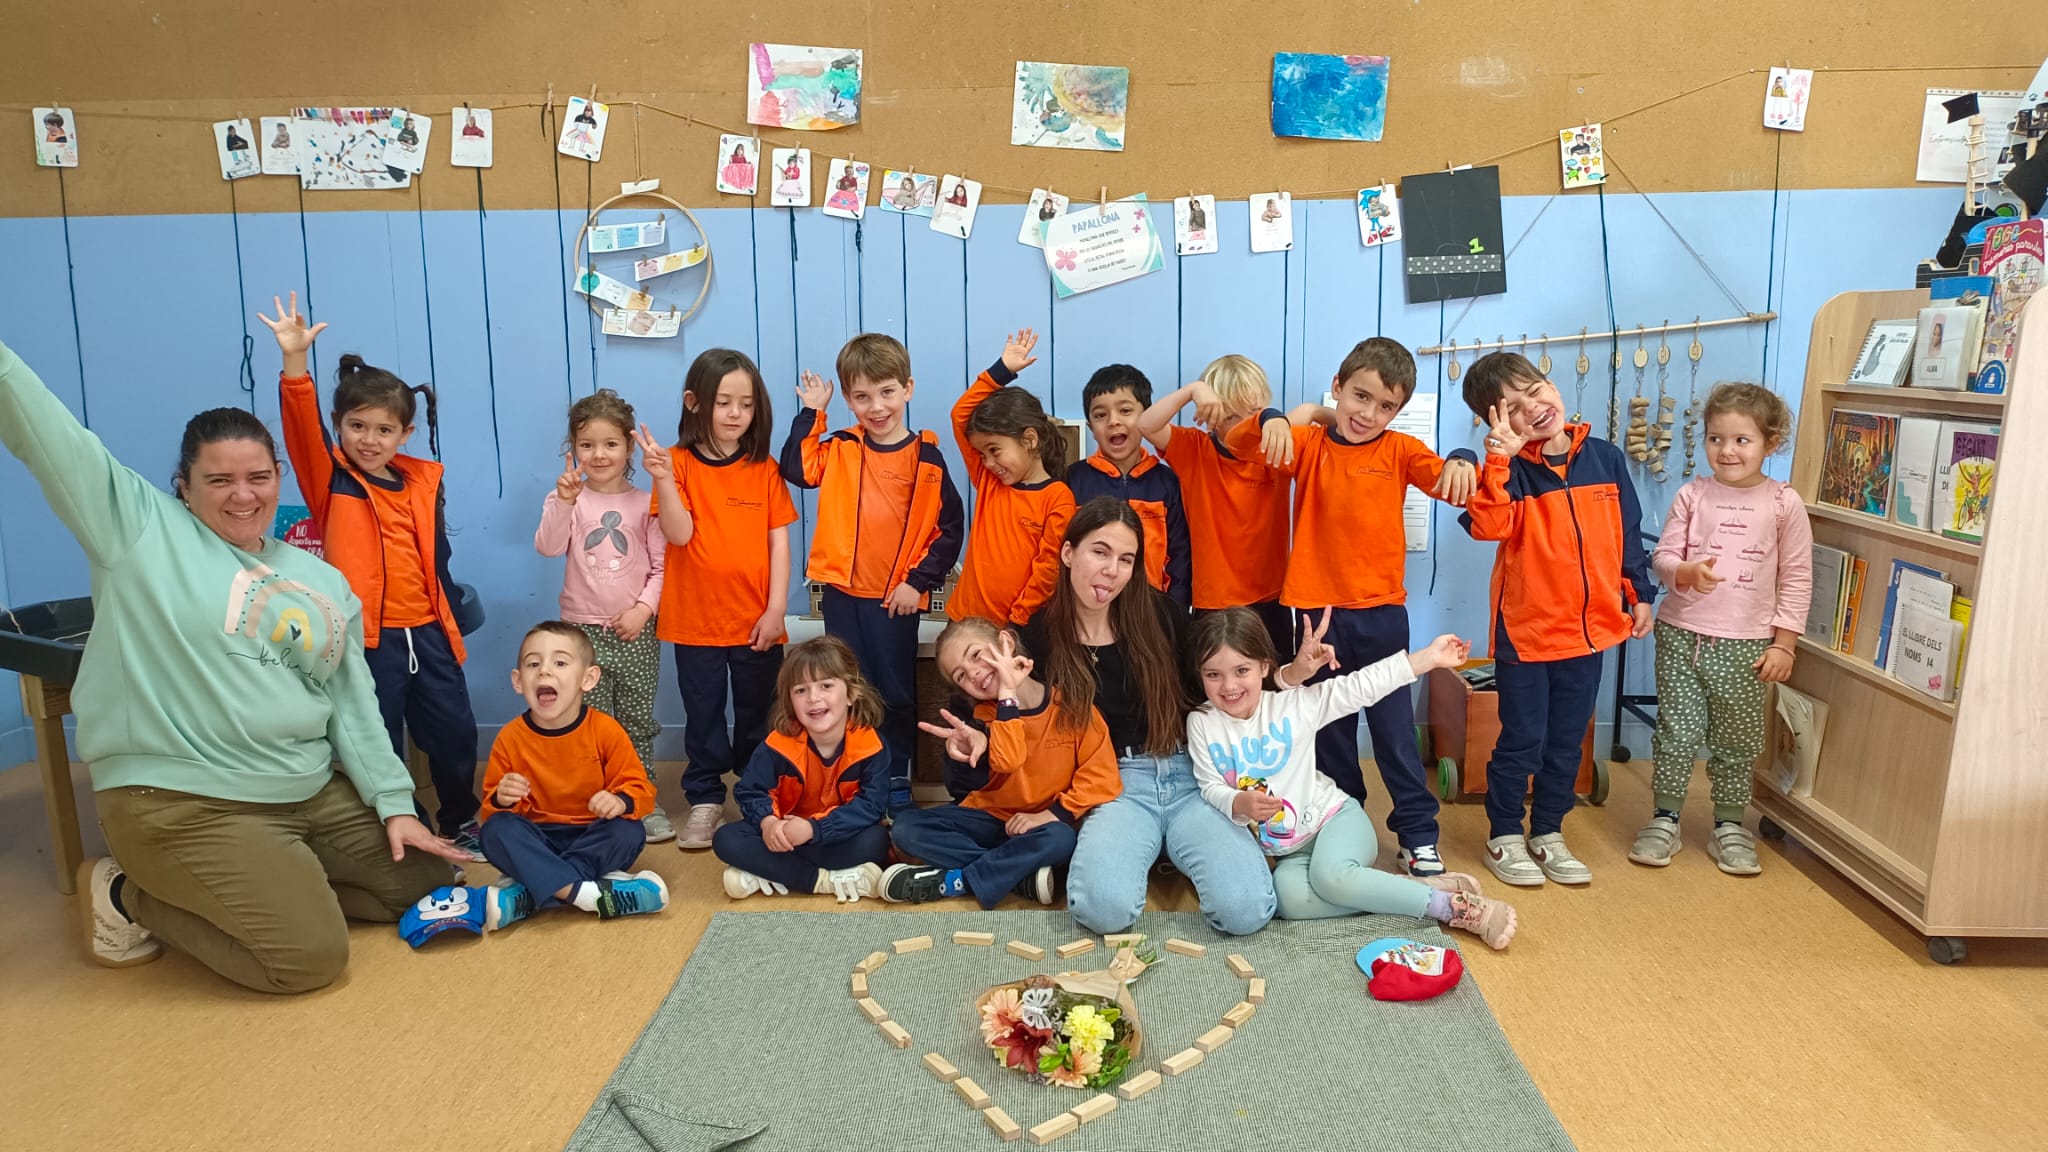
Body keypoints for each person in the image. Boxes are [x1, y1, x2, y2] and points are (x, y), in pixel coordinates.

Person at [0, 337, 465, 992]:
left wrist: (395, 804)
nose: (242, 496)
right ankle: (126, 894)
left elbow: (352, 704)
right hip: (186, 802)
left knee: (428, 882)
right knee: (307, 960)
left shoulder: (320, 578)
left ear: (279, 477)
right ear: (184, 486)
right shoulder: (138, 530)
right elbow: (43, 430)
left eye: (258, 477)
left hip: (307, 789)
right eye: (219, 480)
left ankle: (278, 882)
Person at [1239, 338, 1478, 876]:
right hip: (1315, 617)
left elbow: (1452, 481)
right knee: (1329, 733)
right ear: (1339, 387)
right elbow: (1246, 443)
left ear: (1398, 411)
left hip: (1380, 615)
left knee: (1394, 733)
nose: (1368, 414)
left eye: (1385, 406)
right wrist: (1293, 413)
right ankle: (1343, 826)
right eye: (1360, 397)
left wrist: (1464, 457)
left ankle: (1418, 835)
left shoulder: (1399, 450)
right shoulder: (1309, 445)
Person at [264, 294, 485, 858]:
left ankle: (460, 819)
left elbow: (435, 561)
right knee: (378, 736)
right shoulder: (331, 480)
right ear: (338, 426)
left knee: (454, 734)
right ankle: (403, 824)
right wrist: (295, 363)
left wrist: (444, 619)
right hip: (368, 640)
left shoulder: (422, 483)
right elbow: (300, 431)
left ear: (404, 434)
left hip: (429, 632)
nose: (369, 439)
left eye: (383, 429)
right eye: (356, 426)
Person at [1186, 608, 1517, 949]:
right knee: (1287, 901)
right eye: (1213, 675)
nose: (1229, 686)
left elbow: (1362, 686)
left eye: (1242, 670)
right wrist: (1237, 802)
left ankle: (1452, 907)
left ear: (1265, 667)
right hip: (1290, 853)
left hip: (1337, 821)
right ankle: (1410, 891)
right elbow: (1210, 786)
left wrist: (1428, 658)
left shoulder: (1293, 705)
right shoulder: (1201, 723)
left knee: (1331, 879)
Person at [1028, 499, 1276, 937]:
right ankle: (1152, 851)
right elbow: (1030, 724)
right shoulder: (1040, 633)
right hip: (1114, 785)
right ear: (1068, 553)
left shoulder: (1162, 614)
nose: (1112, 571)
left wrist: (1289, 676)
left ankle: (1173, 848)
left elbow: (1220, 685)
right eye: (1100, 552)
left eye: (1126, 559)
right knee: (1103, 911)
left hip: (1193, 775)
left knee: (1246, 911)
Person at [1460, 351, 1655, 887]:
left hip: (1589, 633)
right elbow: (1488, 527)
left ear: (1553, 386)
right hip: (1526, 636)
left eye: (1536, 391)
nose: (1533, 409)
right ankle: (1504, 835)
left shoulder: (1605, 458)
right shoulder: (1507, 472)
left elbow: (1627, 532)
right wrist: (1499, 460)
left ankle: (1548, 831)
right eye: (1513, 409)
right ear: (1496, 423)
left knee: (1569, 742)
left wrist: (1639, 593)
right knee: (1522, 740)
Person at [781, 333, 964, 811]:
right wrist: (813, 413)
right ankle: (856, 778)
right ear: (847, 399)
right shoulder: (841, 446)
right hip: (842, 595)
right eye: (862, 396)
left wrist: (915, 583)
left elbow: (948, 530)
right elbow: (796, 468)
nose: (876, 407)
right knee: (846, 690)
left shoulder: (927, 458)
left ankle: (896, 776)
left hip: (894, 601)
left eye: (887, 392)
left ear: (908, 388)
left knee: (895, 693)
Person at [1633, 383, 1810, 875]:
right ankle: (1665, 818)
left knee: (1738, 739)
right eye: (1716, 439)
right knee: (1676, 732)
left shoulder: (1784, 504)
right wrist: (1684, 572)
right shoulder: (1693, 495)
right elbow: (1663, 556)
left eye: (1741, 440)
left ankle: (1730, 824)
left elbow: (1797, 576)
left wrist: (1785, 645)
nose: (1727, 450)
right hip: (1682, 636)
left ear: (1771, 443)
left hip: (1749, 645)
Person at [638, 348, 794, 851]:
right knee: (703, 716)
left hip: (756, 621)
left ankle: (755, 794)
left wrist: (776, 609)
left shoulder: (764, 468)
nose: (735, 414)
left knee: (758, 714)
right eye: (724, 402)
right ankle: (705, 798)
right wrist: (663, 477)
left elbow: (779, 544)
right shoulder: (676, 464)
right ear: (695, 402)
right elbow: (679, 535)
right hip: (694, 622)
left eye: (746, 404)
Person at [886, 619, 1119, 907]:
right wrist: (1003, 705)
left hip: (1041, 825)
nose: (973, 673)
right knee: (906, 828)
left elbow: (1102, 777)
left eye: (975, 655)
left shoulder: (1074, 707)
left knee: (1061, 839)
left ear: (1006, 643)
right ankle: (1017, 876)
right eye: (961, 676)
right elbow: (1008, 760)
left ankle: (965, 879)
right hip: (989, 819)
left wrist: (1052, 814)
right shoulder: (984, 718)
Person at [535, 390, 670, 842]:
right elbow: (549, 546)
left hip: (635, 634)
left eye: (610, 444)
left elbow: (662, 568)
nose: (599, 454)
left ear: (629, 447)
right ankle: (596, 798)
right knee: (591, 724)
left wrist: (642, 610)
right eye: (587, 444)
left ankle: (641, 798)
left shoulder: (645, 502)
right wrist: (563, 502)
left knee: (635, 722)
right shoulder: (567, 498)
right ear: (573, 447)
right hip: (580, 633)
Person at [476, 623, 667, 931]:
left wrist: (619, 801)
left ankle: (534, 891)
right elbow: (491, 811)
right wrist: (502, 798)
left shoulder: (605, 730)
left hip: (591, 834)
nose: (544, 671)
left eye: (560, 663)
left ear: (588, 679)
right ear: (518, 681)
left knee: (628, 831)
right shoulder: (510, 738)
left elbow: (641, 790)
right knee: (495, 831)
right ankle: (585, 894)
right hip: (538, 838)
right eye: (533, 664)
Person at [1135, 354, 1293, 659]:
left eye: (1254, 413)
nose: (1245, 425)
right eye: (1232, 416)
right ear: (1212, 416)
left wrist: (1279, 416)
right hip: (1214, 602)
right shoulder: (1195, 449)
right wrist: (1193, 390)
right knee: (1214, 684)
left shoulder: (1275, 447)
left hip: (1272, 599)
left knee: (1276, 683)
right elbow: (1146, 424)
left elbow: (1324, 426)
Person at [713, 636, 892, 901]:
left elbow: (870, 807)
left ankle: (772, 872)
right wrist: (768, 823)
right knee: (726, 839)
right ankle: (822, 880)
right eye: (800, 690)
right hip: (785, 834)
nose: (813, 698)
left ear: (852, 694)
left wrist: (813, 830)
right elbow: (751, 792)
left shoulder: (872, 746)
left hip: (835, 834)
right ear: (790, 701)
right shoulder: (777, 745)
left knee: (876, 842)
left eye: (826, 685)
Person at [949, 328, 1075, 626]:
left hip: (1014, 630)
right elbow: (959, 415)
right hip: (963, 622)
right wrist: (1000, 371)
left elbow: (1048, 570)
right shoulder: (989, 482)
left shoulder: (1058, 497)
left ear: (1029, 439)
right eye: (982, 454)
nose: (988, 462)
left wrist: (1017, 623)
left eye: (994, 450)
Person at [1065, 365, 1192, 609]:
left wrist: (1174, 614)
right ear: (1091, 429)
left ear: (1147, 418)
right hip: (1090, 610)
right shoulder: (1073, 480)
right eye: (1100, 415)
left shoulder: (1166, 483)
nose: (1113, 421)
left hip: (1152, 612)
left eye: (1125, 411)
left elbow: (1180, 558)